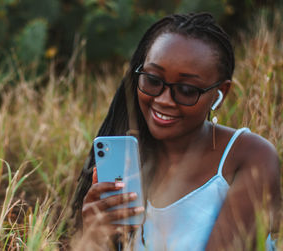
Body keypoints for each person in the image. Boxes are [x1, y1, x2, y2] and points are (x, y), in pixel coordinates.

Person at [71, 13, 281, 250]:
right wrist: (93, 238)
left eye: (185, 89)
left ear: (220, 93)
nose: (163, 100)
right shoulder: (129, 164)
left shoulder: (251, 157)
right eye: (152, 79)